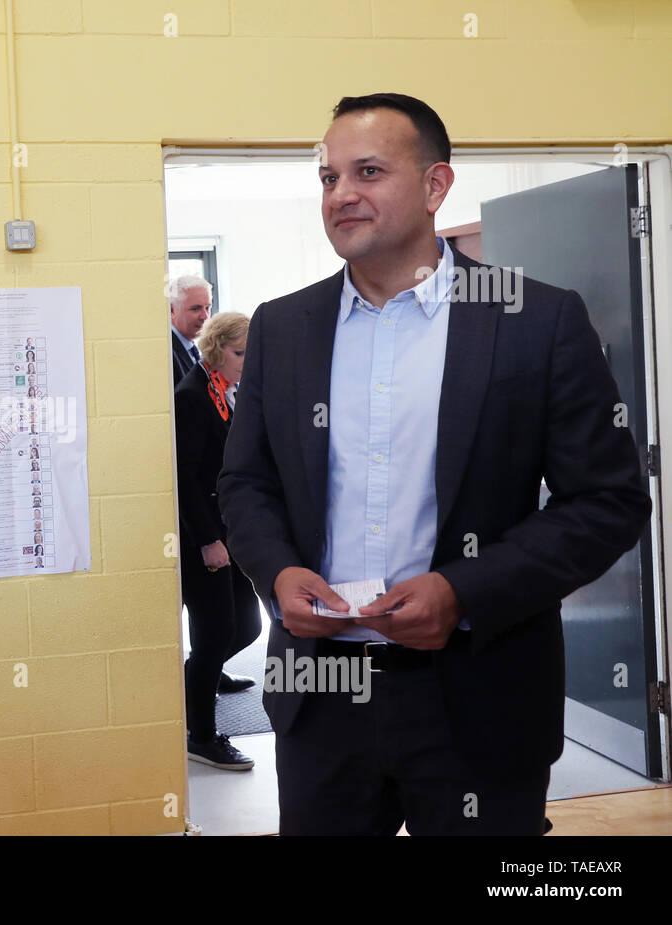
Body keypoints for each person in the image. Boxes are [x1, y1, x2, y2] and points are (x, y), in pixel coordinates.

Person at [217, 93, 651, 834]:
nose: (341, 194)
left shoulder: (534, 320)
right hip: (321, 694)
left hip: (482, 693)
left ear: (435, 185)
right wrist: (277, 571)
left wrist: (462, 589)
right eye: (327, 178)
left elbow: (606, 499)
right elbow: (246, 481)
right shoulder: (285, 327)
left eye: (369, 171)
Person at [175, 312, 261, 770]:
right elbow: (185, 478)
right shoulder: (192, 396)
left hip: (228, 531)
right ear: (215, 350)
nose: (247, 361)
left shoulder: (220, 392)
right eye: (239, 353)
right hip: (202, 538)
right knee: (214, 636)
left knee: (247, 626)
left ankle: (194, 681)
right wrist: (208, 539)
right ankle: (201, 735)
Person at [168, 274, 211, 386]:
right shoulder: (167, 354)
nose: (205, 316)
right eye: (195, 309)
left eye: (207, 308)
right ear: (172, 310)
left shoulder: (194, 349)